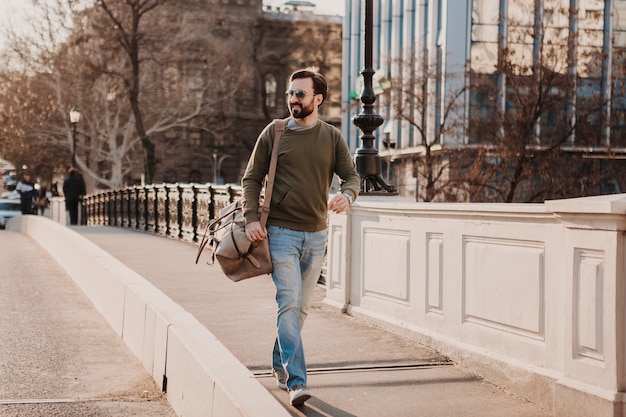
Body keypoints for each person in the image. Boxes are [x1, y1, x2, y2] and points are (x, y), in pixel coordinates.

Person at [242, 68, 360, 407]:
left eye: (300, 94)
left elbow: (350, 176)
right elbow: (252, 179)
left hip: (317, 235)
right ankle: (297, 382)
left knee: (302, 308)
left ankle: (279, 363)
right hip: (279, 233)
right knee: (289, 302)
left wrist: (347, 195)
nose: (293, 99)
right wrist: (252, 219)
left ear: (317, 99)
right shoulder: (275, 132)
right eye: (290, 93)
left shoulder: (332, 137)